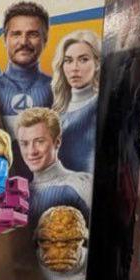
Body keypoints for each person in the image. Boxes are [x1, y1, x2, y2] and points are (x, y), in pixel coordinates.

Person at [16, 107, 92, 228]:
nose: (31, 151)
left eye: (39, 141)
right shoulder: (18, 195)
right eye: (24, 144)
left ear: (57, 142)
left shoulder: (81, 184)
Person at [0, 2, 53, 134]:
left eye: (32, 34)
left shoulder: (58, 88)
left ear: (45, 40)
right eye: (16, 34)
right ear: (5, 39)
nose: (24, 42)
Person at [51, 30, 101, 173]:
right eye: (68, 60)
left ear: (97, 63)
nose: (74, 68)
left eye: (83, 59)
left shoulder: (101, 104)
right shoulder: (57, 109)